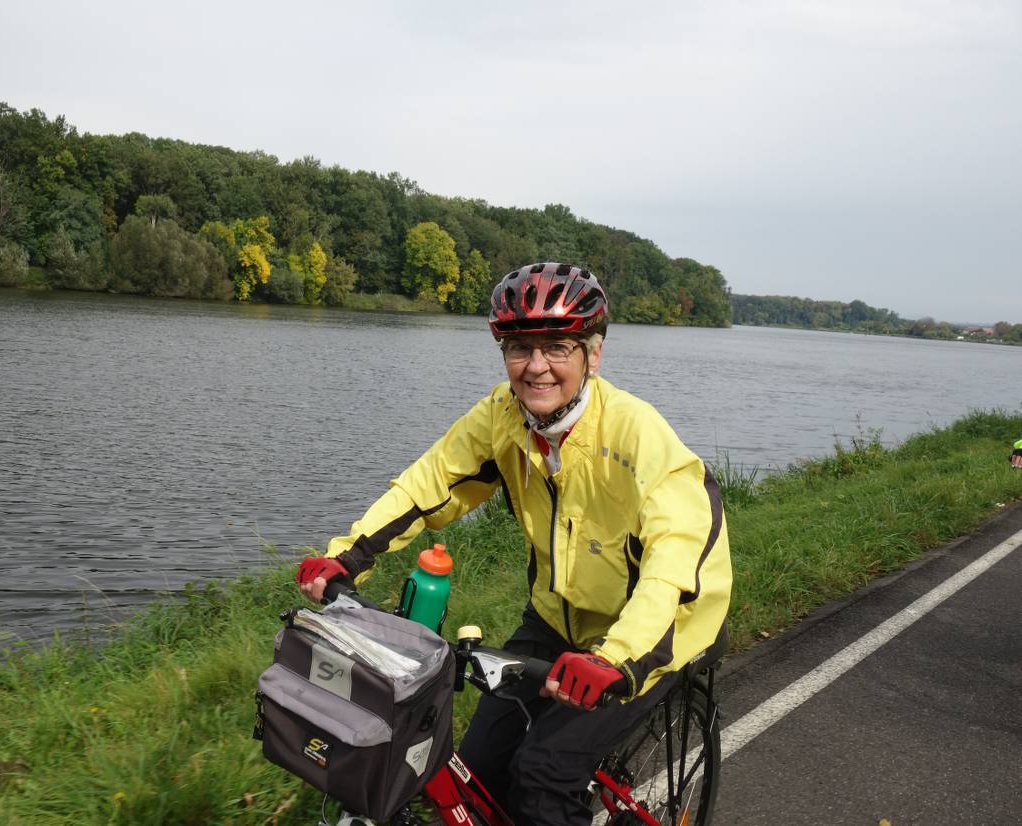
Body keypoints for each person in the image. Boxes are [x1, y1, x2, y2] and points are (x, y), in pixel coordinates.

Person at [296, 262, 732, 824]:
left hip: (657, 630)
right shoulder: (504, 417)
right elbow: (430, 482)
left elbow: (674, 563)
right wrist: (347, 557)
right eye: (520, 348)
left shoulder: (637, 435)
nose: (536, 367)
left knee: (545, 774)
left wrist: (615, 657)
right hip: (556, 620)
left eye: (557, 347)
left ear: (592, 355)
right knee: (477, 770)